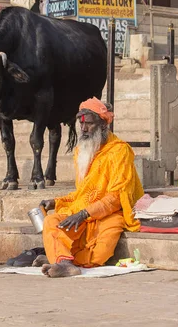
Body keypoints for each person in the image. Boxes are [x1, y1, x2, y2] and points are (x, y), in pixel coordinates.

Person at [34, 98, 144, 277]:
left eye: (89, 124)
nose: (83, 129)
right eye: (81, 123)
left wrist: (85, 213)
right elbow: (83, 192)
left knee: (99, 256)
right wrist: (56, 202)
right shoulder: (82, 151)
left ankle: (59, 258)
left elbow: (117, 196)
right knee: (51, 222)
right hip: (83, 211)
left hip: (110, 212)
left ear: (102, 125)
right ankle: (64, 262)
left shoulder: (120, 151)